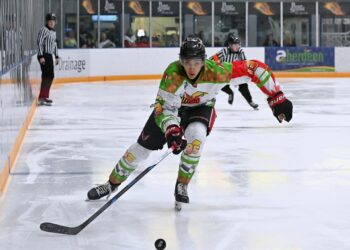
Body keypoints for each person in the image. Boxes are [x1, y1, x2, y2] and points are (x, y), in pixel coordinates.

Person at [86, 36, 293, 210]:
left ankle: (182, 185)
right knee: (139, 150)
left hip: (200, 109)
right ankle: (111, 184)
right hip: (172, 110)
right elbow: (165, 108)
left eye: (196, 63)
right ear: (181, 61)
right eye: (187, 63)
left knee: (196, 140)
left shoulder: (218, 71)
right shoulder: (173, 74)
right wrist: (172, 130)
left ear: (203, 61)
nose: (191, 68)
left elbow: (255, 69)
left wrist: (277, 98)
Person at [210, 34, 259, 109]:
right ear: (230, 45)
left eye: (238, 44)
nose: (237, 46)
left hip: (236, 73)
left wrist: (244, 77)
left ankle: (250, 102)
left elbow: (244, 64)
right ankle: (230, 93)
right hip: (225, 73)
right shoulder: (224, 51)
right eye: (235, 45)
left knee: (244, 86)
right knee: (217, 84)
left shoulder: (241, 51)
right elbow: (212, 59)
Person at [37, 13, 59, 106]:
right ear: (47, 21)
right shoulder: (43, 30)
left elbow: (55, 45)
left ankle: (44, 96)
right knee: (46, 75)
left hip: (49, 56)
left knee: (50, 76)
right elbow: (39, 43)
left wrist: (57, 56)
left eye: (53, 21)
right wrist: (41, 56)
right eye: (50, 21)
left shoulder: (53, 32)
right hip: (44, 55)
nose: (52, 23)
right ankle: (42, 97)